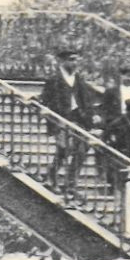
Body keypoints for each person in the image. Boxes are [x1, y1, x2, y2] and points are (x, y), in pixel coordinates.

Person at [39, 48, 99, 197]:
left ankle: (70, 183)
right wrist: (49, 116)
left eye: (77, 60)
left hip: (79, 120)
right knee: (65, 149)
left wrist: (92, 117)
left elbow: (86, 101)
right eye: (71, 59)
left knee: (82, 149)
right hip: (61, 120)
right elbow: (45, 100)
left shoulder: (79, 80)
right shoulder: (54, 80)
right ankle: (51, 177)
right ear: (62, 61)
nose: (75, 63)